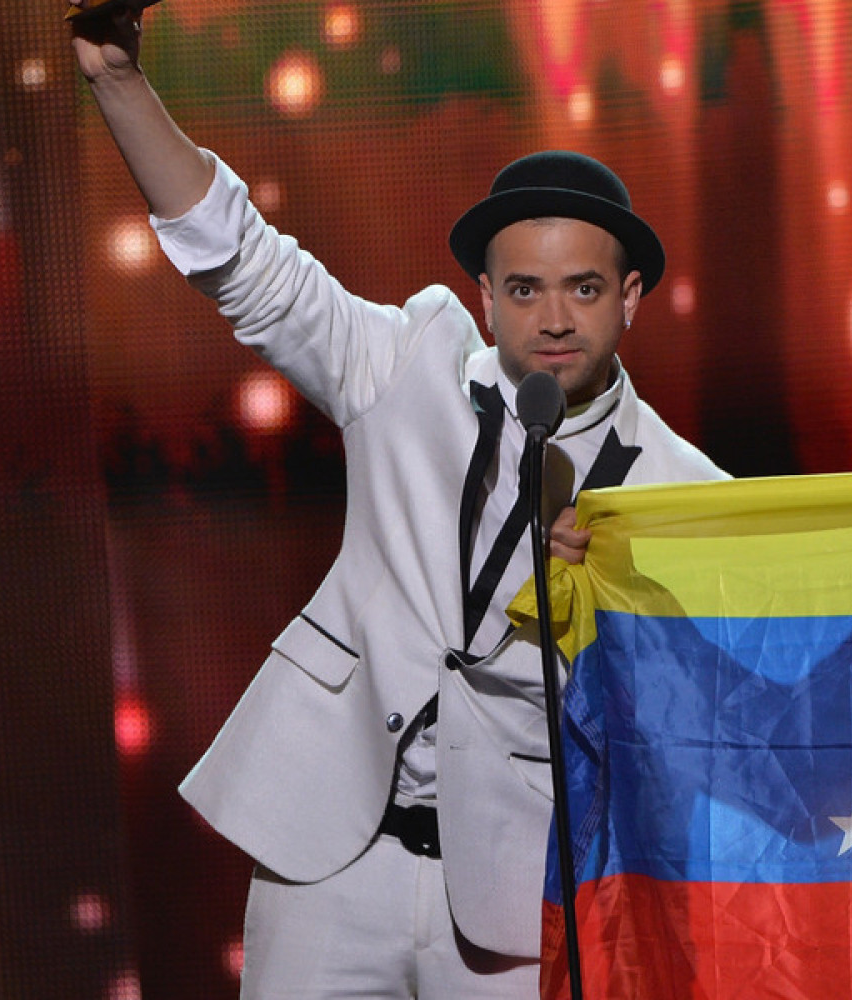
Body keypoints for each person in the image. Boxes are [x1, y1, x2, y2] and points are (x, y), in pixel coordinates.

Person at [69, 3, 726, 995]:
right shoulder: (407, 359)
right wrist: (118, 82)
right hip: (332, 852)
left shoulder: (684, 493)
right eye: (523, 289)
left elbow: (698, 734)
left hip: (511, 885)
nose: (551, 318)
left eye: (583, 290)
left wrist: (604, 624)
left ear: (630, 297)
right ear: (482, 296)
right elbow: (245, 265)